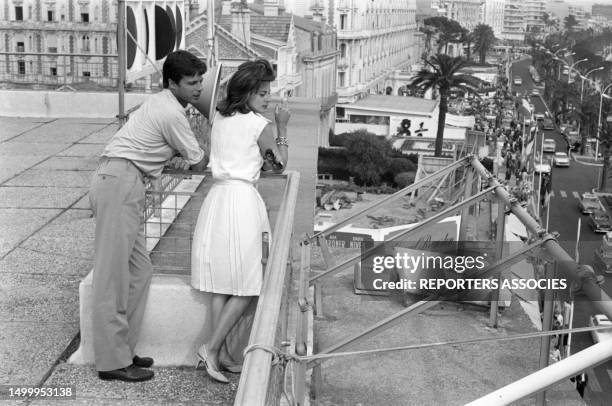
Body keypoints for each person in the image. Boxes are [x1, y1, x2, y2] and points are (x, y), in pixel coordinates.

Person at [89, 50, 209, 382]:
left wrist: (178, 153)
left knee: (140, 271)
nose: (199, 88)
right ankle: (111, 361)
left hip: (123, 181)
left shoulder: (162, 103)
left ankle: (123, 350)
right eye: (192, 82)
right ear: (172, 83)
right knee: (111, 276)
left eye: (200, 81)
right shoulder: (171, 112)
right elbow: (199, 160)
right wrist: (186, 154)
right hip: (120, 183)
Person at [191, 59, 290, 384]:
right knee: (249, 285)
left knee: (223, 284)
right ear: (246, 91)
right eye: (262, 93)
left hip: (217, 200)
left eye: (268, 92)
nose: (268, 98)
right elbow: (276, 166)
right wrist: (282, 128)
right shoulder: (260, 125)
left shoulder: (219, 117)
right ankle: (211, 348)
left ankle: (222, 356)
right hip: (242, 204)